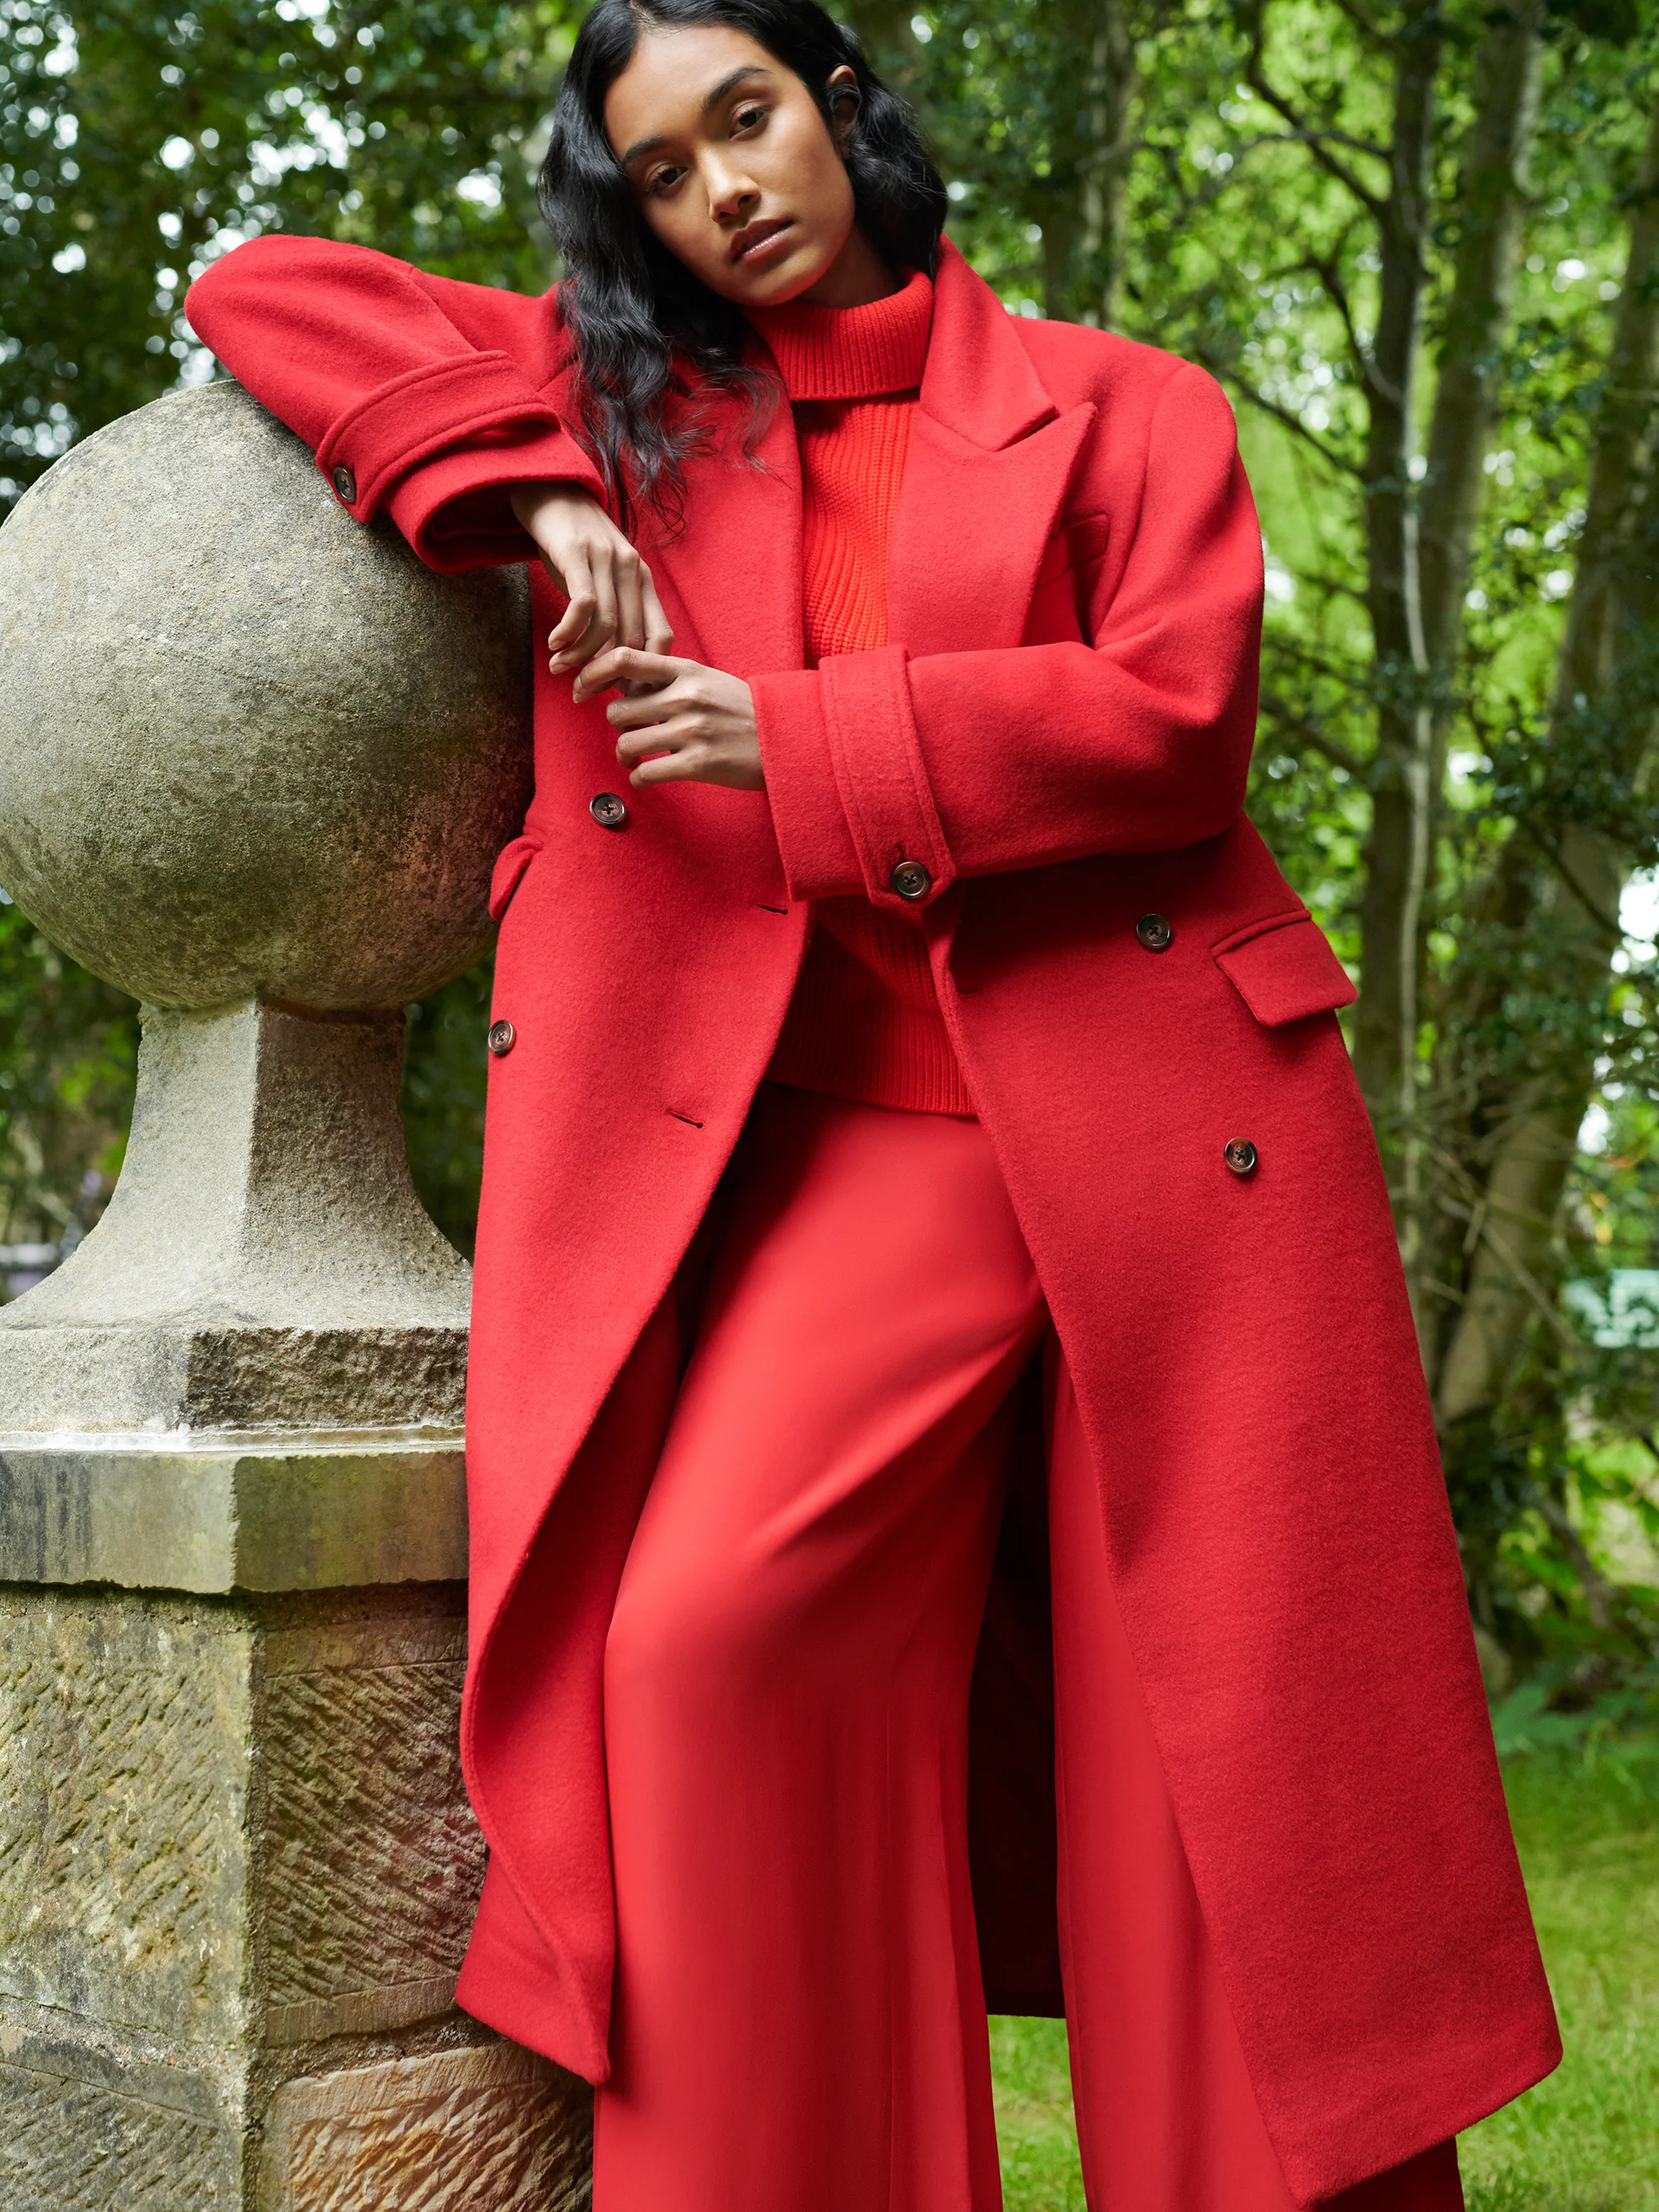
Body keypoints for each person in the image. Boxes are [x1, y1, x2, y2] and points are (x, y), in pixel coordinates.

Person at [186, 4, 1560, 2204]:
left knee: (1205, 1791)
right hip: (852, 1150)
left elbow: (1174, 721)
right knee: (706, 1647)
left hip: (1168, 1130)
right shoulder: (620, 404)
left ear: (843, 109)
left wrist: (792, 746)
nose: (728, 186)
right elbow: (261, 285)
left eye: (751, 117)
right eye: (662, 169)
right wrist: (529, 483)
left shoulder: (1124, 407)